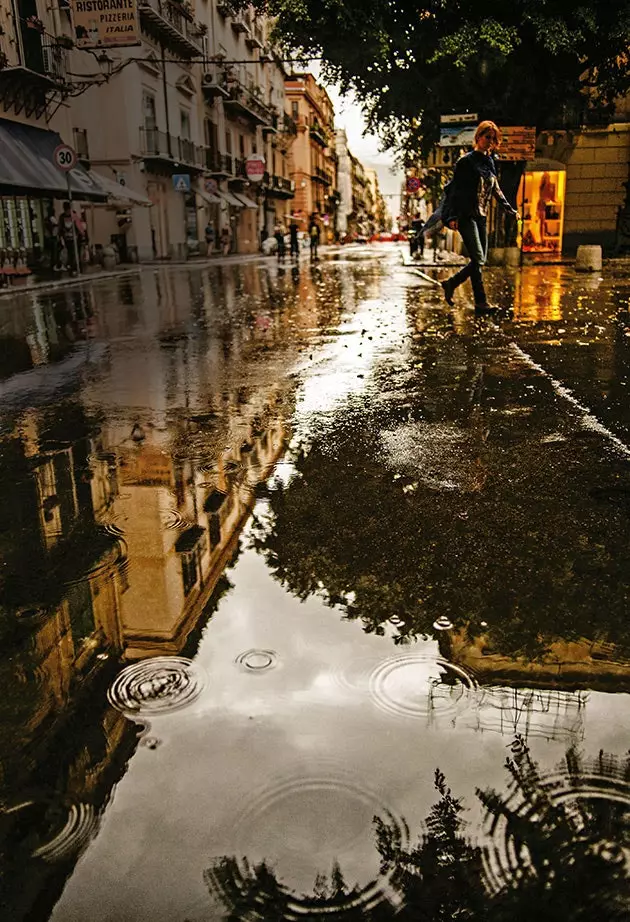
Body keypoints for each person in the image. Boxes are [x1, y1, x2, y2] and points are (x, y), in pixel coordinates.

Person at [440, 120, 520, 312]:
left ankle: (479, 302)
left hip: (481, 216)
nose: (490, 141)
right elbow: (455, 192)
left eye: (493, 139)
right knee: (479, 258)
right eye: (487, 137)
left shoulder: (490, 162)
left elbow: (496, 189)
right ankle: (454, 284)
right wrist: (452, 216)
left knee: (479, 261)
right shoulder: (465, 162)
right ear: (478, 137)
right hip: (466, 215)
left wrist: (510, 209)